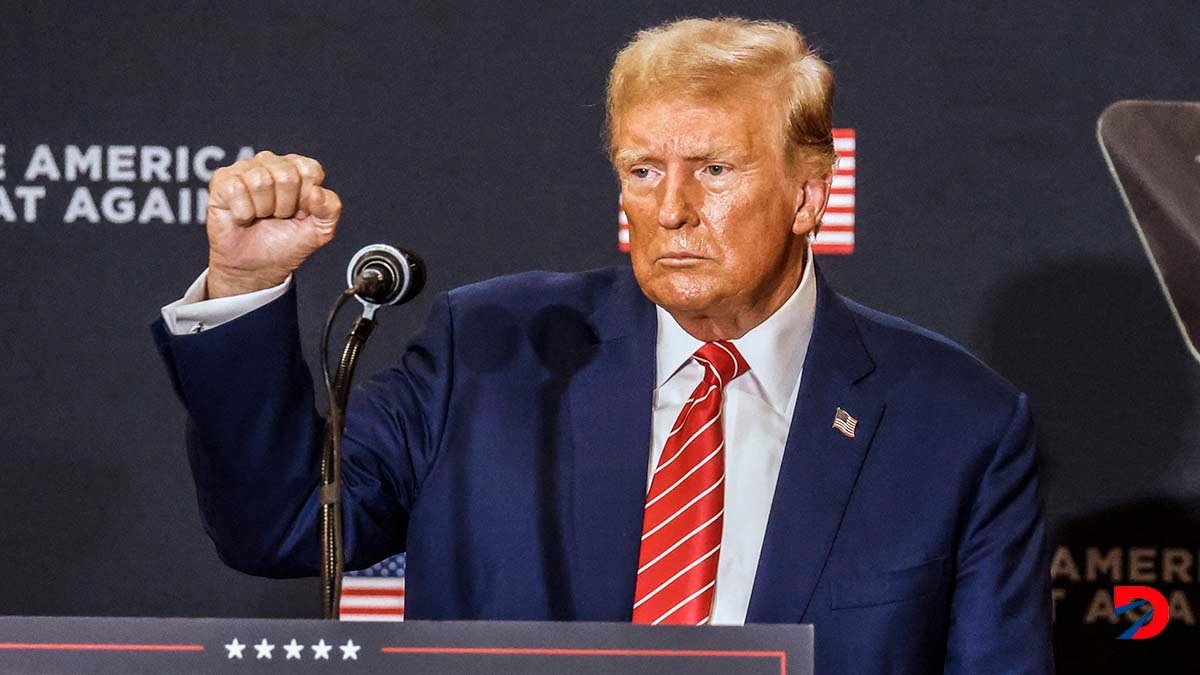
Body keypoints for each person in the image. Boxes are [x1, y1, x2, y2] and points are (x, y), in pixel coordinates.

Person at [154, 17, 1052, 673]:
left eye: (715, 169)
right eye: (643, 170)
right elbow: (283, 526)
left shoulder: (957, 425)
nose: (671, 208)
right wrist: (242, 286)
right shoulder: (497, 350)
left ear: (810, 194)